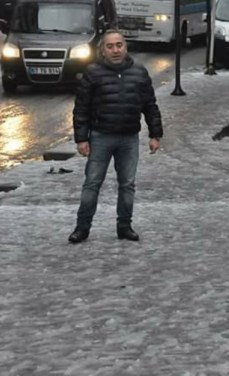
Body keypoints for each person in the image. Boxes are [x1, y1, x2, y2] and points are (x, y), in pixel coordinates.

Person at [68, 29, 163, 243]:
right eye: (110, 46)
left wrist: (155, 134)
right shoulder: (93, 73)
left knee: (127, 184)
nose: (115, 50)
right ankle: (82, 228)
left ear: (125, 46)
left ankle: (124, 226)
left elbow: (150, 105)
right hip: (101, 137)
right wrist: (82, 139)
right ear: (103, 50)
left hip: (129, 138)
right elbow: (81, 109)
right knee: (92, 183)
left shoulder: (139, 73)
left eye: (119, 45)